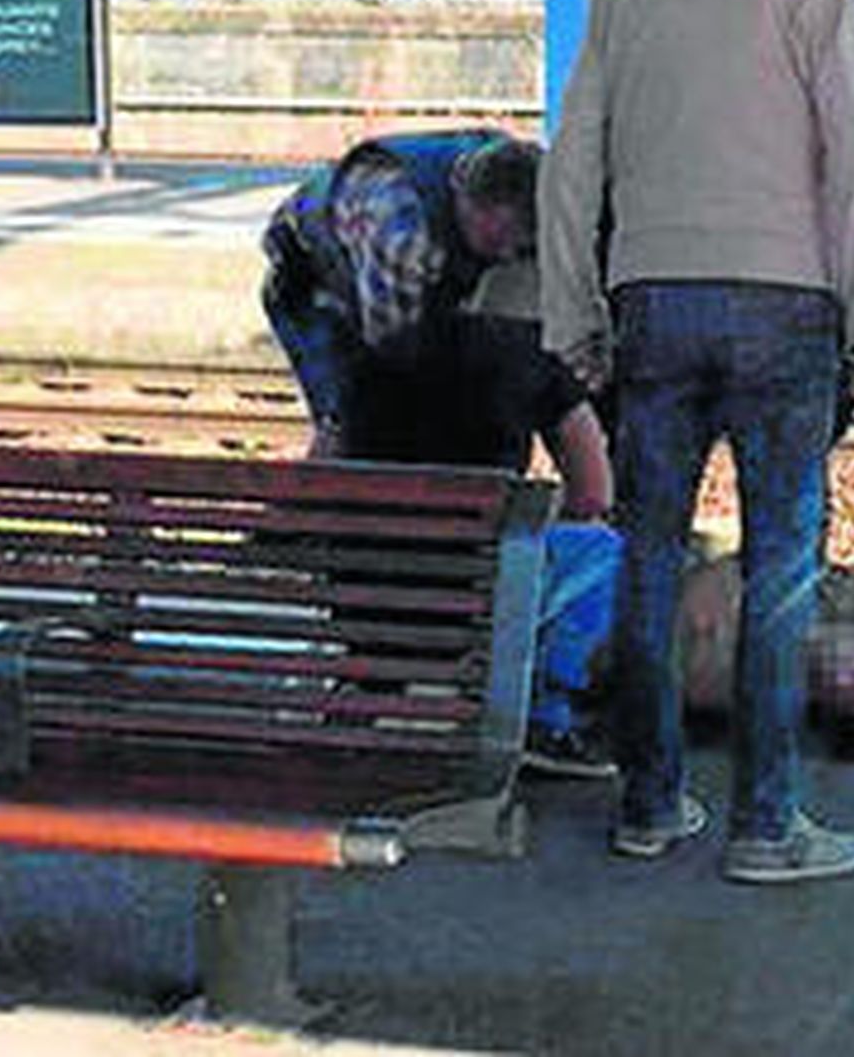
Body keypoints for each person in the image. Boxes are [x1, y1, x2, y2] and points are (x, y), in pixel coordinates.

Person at [539, 0, 854, 883]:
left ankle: (648, 802)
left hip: (652, 301)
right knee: (781, 565)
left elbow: (571, 170)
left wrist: (572, 319)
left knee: (650, 553)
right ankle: (766, 823)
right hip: (786, 306)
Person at [261, 128, 622, 779]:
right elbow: (594, 492)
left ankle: (368, 686)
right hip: (481, 605)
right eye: (514, 246)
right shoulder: (530, 361)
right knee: (604, 551)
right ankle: (543, 715)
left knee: (360, 492)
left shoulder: (362, 380)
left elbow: (322, 478)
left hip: (375, 612)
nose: (515, 256)